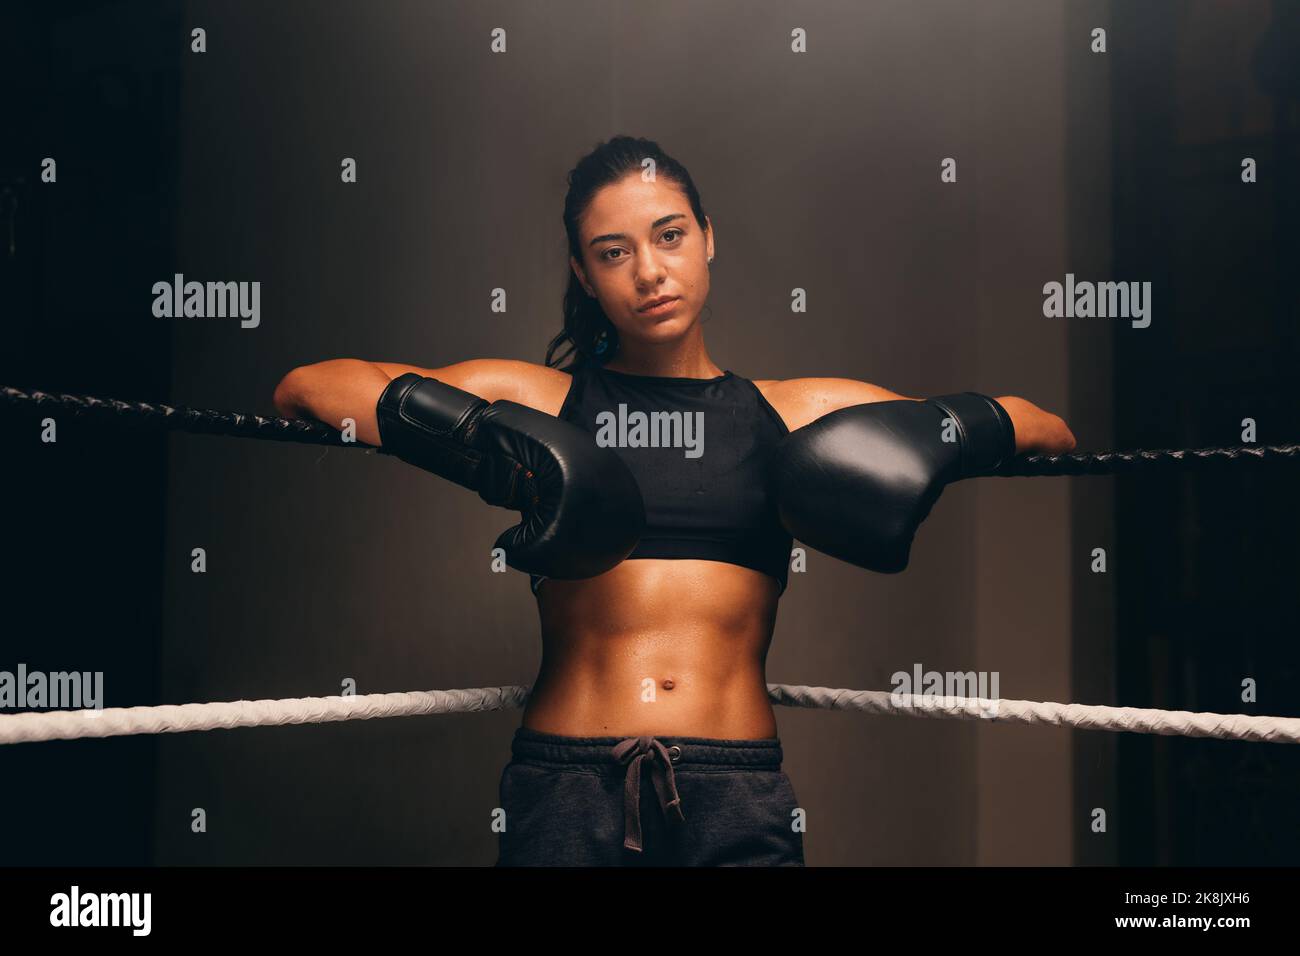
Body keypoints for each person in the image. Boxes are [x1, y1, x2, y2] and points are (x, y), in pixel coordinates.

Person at [272, 135, 1077, 866]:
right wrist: (484, 442)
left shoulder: (793, 415)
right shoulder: (546, 403)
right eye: (612, 252)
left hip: (735, 794)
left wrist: (944, 434)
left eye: (669, 235)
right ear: (584, 274)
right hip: (568, 786)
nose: (649, 272)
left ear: (707, 237)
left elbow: (1050, 432)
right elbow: (308, 389)